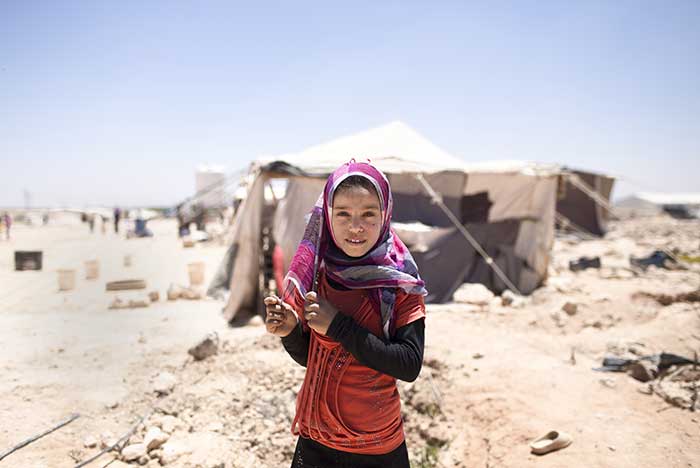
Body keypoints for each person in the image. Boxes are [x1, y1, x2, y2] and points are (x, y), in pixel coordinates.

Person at [264, 160, 427, 467]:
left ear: (385, 215)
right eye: (343, 214)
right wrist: (291, 330)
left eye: (368, 214)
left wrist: (339, 326)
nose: (355, 226)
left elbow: (408, 365)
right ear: (327, 215)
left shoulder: (399, 282)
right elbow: (313, 357)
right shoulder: (317, 274)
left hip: (374, 449)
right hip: (316, 444)